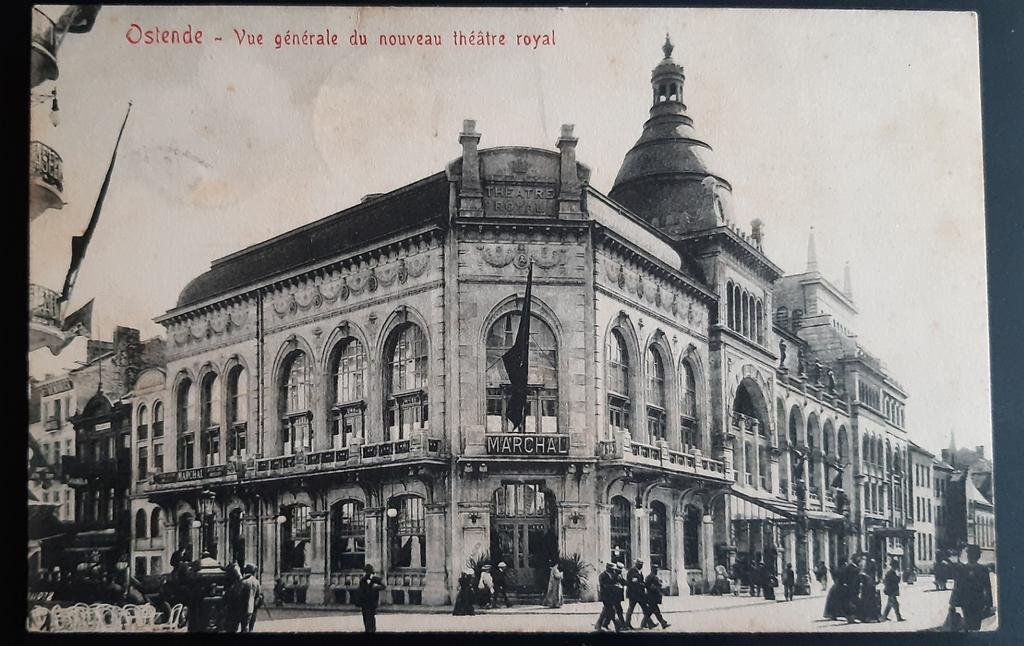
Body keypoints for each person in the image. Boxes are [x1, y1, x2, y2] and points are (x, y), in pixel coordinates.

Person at [948, 545, 993, 631]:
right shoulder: (983, 569)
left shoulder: (962, 569)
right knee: (975, 625)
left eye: (970, 554)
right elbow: (988, 588)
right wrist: (989, 604)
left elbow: (957, 587)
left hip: (966, 601)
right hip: (978, 601)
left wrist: (952, 603)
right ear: (978, 556)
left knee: (968, 623)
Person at [357, 563, 386, 633]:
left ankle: (372, 629)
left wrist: (376, 587)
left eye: (369, 572)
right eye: (366, 572)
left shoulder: (375, 579)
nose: (367, 573)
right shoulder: (362, 580)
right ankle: (367, 629)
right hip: (364, 601)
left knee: (371, 615)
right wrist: (360, 600)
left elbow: (383, 586)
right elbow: (360, 591)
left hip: (372, 601)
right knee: (365, 616)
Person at [640, 565, 671, 629]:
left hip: (651, 597)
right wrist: (660, 587)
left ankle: (661, 623)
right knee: (654, 612)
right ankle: (662, 623)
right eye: (656, 570)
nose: (657, 571)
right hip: (652, 597)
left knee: (652, 612)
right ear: (653, 570)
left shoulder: (649, 576)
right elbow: (653, 587)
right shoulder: (652, 577)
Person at [595, 563, 620, 632]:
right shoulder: (602, 575)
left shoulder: (612, 575)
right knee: (612, 610)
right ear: (608, 568)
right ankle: (617, 626)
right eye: (612, 569)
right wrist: (614, 586)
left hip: (611, 596)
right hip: (605, 596)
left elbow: (616, 581)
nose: (613, 570)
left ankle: (599, 625)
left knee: (606, 611)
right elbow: (604, 586)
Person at [239, 565, 262, 633]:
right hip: (253, 607)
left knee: (244, 627)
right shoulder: (256, 581)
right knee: (251, 628)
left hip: (243, 607)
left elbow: (239, 594)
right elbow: (259, 595)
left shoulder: (243, 581)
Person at [624, 560, 647, 629]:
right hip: (633, 594)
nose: (641, 566)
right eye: (640, 564)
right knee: (631, 610)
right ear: (637, 564)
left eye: (642, 564)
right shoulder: (632, 571)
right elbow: (634, 583)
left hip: (639, 594)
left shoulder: (639, 571)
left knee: (645, 609)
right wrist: (642, 585)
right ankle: (627, 624)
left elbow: (640, 581)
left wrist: (643, 584)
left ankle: (648, 623)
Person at [612, 563, 628, 630]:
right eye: (619, 570)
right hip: (613, 596)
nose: (621, 571)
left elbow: (623, 582)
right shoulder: (613, 575)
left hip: (618, 596)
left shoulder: (620, 575)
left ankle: (623, 625)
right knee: (616, 611)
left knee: (617, 611)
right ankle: (622, 625)